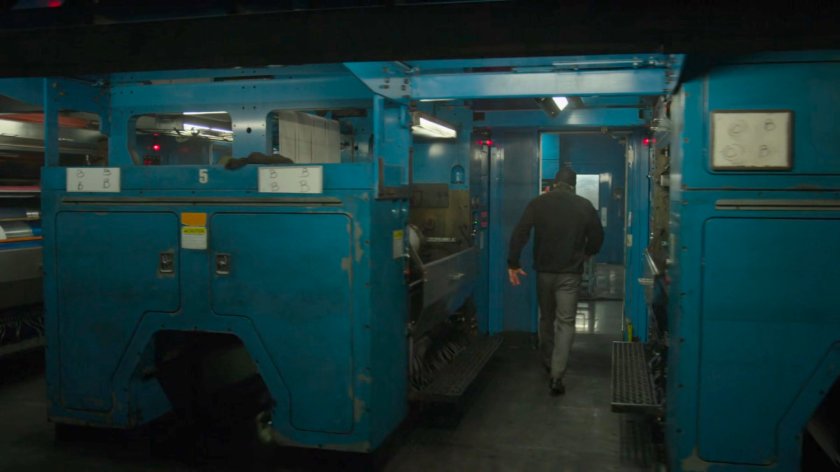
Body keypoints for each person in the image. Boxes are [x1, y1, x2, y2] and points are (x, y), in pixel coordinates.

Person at [507, 165, 604, 396]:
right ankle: (557, 375)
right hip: (570, 274)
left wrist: (513, 263)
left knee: (546, 318)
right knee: (566, 322)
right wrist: (586, 253)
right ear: (574, 185)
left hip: (545, 273)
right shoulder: (584, 205)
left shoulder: (538, 203)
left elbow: (520, 233)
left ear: (553, 183)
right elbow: (598, 237)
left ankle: (548, 360)